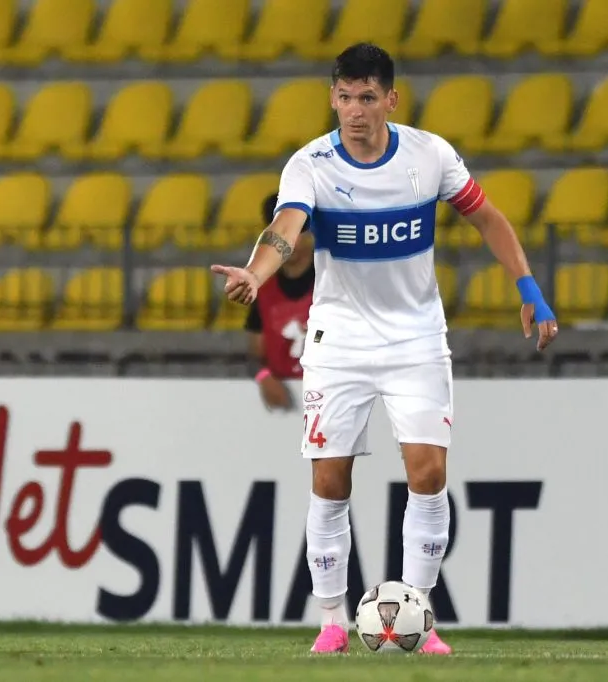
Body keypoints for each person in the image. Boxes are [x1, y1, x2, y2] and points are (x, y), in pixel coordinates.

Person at [211, 43, 558, 655]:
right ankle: (332, 622)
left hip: (416, 339)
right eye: (344, 97)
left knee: (428, 473)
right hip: (338, 342)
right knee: (330, 477)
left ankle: (418, 616)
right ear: (333, 98)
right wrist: (256, 273)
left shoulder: (429, 156)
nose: (355, 111)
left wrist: (528, 285)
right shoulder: (311, 165)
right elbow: (284, 229)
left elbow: (488, 219)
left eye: (367, 97)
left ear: (391, 99)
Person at [245, 193, 316, 410]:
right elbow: (255, 354)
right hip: (283, 405)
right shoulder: (262, 289)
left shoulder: (334, 282)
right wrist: (264, 376)